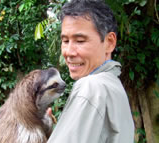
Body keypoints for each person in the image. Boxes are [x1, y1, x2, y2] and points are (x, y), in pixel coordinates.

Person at [47, 0, 135, 142]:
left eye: (80, 41)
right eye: (65, 41)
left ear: (109, 42)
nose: (68, 52)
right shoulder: (114, 86)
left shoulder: (92, 87)